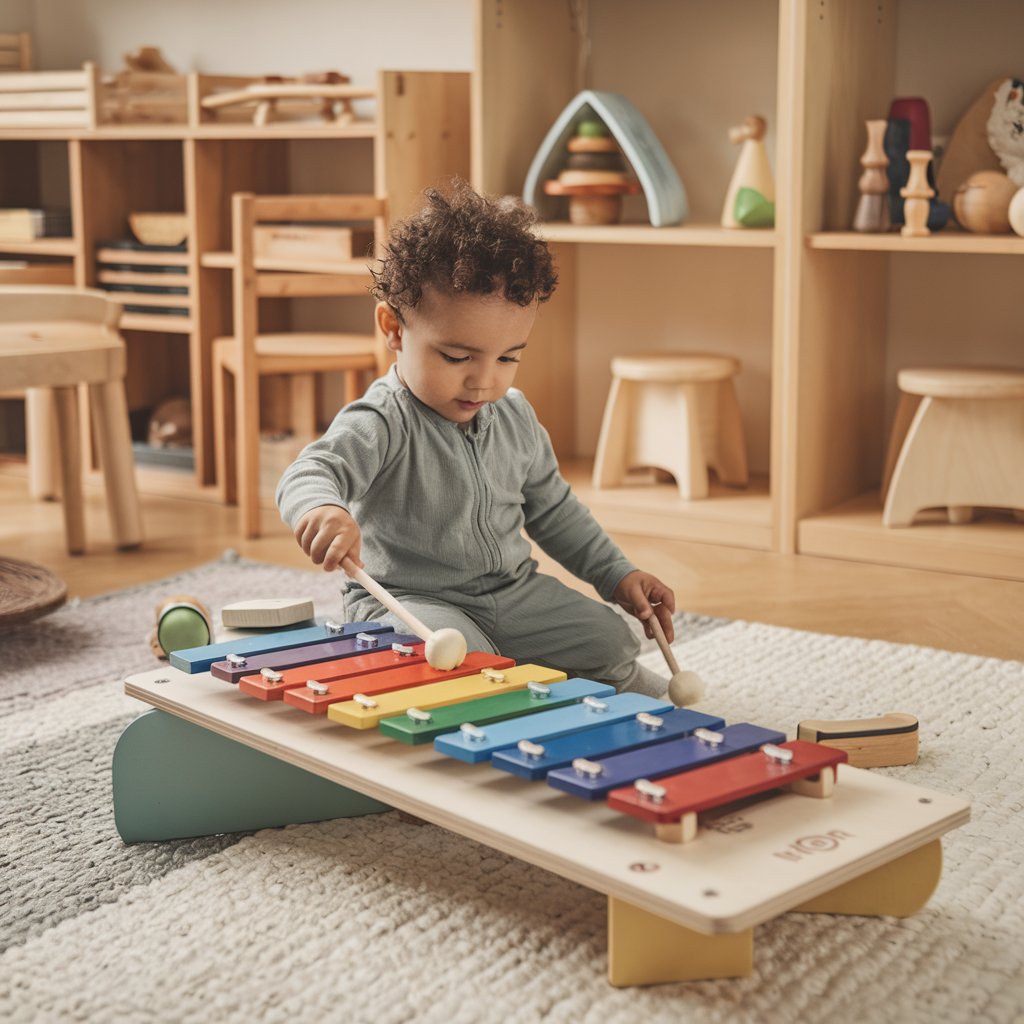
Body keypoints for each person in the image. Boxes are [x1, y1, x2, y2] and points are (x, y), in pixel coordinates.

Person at [276, 180, 674, 696]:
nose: (484, 381)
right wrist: (321, 509)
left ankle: (594, 681)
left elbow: (554, 511)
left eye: (508, 357)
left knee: (611, 640)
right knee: (447, 653)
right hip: (408, 603)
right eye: (458, 357)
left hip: (512, 593)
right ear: (394, 329)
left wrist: (617, 576)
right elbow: (309, 471)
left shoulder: (514, 415)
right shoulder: (380, 420)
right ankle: (487, 683)